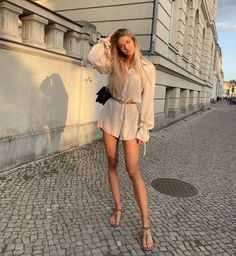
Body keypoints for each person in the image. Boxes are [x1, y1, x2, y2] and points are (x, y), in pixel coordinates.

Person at [88, 28, 155, 251]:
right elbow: (92, 58)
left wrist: (143, 129)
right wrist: (108, 40)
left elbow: (147, 101)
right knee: (112, 163)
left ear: (134, 41)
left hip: (132, 119)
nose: (125, 47)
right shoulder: (113, 63)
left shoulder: (147, 68)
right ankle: (118, 208)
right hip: (111, 114)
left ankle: (146, 224)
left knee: (133, 170)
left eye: (127, 42)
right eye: (121, 44)